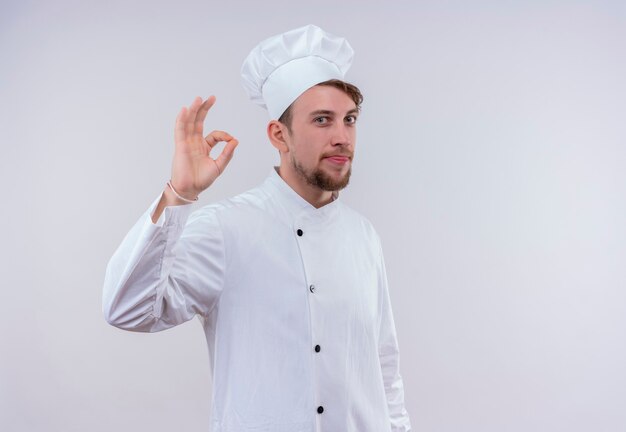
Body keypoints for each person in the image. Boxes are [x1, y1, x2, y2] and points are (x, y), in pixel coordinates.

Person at [103, 24, 412, 432]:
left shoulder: (363, 236)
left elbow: (384, 367)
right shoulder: (227, 228)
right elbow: (128, 309)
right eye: (323, 120)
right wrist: (178, 194)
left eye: (349, 120)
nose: (343, 138)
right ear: (278, 135)